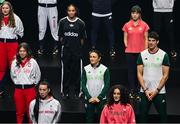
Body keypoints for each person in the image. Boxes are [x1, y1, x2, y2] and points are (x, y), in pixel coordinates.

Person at [137, 31, 170, 123]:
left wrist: (157, 90)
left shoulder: (163, 55)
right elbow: (139, 74)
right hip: (144, 92)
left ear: (157, 42)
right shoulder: (142, 54)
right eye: (149, 40)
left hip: (159, 92)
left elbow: (166, 75)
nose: (150, 42)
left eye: (153, 40)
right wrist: (145, 89)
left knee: (163, 117)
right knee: (142, 118)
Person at [58, 4, 87, 99]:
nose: (71, 12)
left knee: (77, 72)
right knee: (65, 72)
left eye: (73, 10)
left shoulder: (81, 23)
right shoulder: (62, 22)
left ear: (75, 11)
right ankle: (65, 92)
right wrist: (66, 45)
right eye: (69, 10)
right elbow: (61, 37)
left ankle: (77, 92)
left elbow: (82, 39)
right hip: (66, 51)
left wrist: (76, 47)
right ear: (67, 11)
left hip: (77, 52)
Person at [122, 5, 149, 99]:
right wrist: (127, 45)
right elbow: (125, 38)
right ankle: (132, 90)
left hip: (141, 52)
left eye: (137, 13)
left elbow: (146, 39)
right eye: (133, 13)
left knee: (140, 72)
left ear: (139, 14)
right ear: (131, 14)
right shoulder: (127, 25)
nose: (135, 15)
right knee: (131, 72)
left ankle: (139, 90)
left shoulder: (144, 25)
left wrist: (145, 51)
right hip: (129, 52)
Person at [10, 42, 41, 123]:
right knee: (19, 113)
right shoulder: (14, 62)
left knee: (30, 113)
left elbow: (38, 75)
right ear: (18, 52)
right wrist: (19, 83)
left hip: (30, 90)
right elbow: (12, 76)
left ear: (27, 52)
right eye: (20, 51)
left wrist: (31, 84)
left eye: (24, 51)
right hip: (18, 90)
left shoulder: (33, 62)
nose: (22, 53)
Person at [0, 1, 24, 96]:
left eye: (7, 8)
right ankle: (0, 88)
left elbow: (21, 32)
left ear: (10, 9)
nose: (5, 10)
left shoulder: (15, 18)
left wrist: (14, 39)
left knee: (14, 66)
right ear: (1, 9)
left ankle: (18, 87)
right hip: (1, 44)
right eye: (3, 8)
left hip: (12, 44)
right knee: (1, 66)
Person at [82, 50, 110, 122]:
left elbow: (107, 85)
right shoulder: (86, 69)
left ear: (99, 58)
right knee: (89, 120)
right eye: (90, 57)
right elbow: (83, 85)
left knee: (101, 120)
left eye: (94, 57)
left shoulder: (105, 69)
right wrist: (89, 97)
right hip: (89, 99)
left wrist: (100, 97)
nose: (91, 58)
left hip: (101, 99)